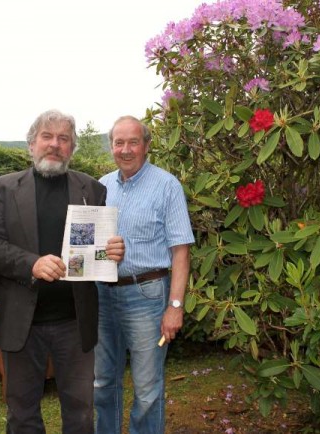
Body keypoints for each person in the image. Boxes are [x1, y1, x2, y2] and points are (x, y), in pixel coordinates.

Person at [0, 109, 125, 434]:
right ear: (31, 144)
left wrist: (112, 252)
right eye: (47, 137)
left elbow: (94, 252)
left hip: (74, 322)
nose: (54, 145)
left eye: (63, 139)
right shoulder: (1, 189)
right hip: (22, 322)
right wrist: (31, 263)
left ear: (72, 148)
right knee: (22, 414)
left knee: (81, 414)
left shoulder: (91, 190)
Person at [94, 115, 195, 434]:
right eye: (119, 142)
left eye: (133, 142)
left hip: (147, 297)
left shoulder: (167, 186)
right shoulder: (101, 186)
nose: (125, 149)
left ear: (147, 146)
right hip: (102, 295)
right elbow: (93, 246)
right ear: (111, 146)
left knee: (148, 390)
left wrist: (175, 307)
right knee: (101, 383)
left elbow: (181, 250)